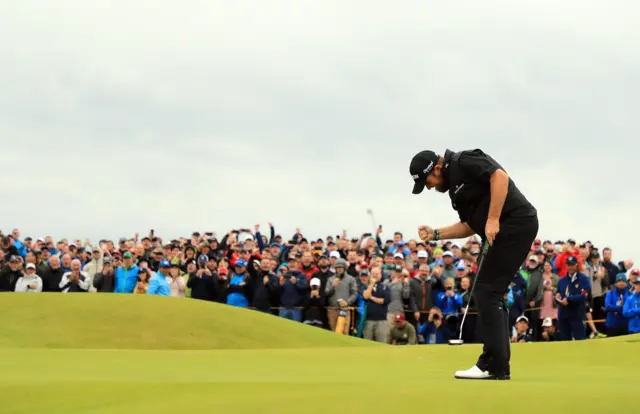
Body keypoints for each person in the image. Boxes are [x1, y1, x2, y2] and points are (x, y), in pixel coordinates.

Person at [410, 148, 538, 380]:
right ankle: (497, 364)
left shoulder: (464, 160)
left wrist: (493, 218)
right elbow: (469, 225)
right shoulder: (454, 192)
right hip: (504, 230)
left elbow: (500, 176)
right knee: (490, 292)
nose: (428, 187)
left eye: (427, 181)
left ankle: (492, 364)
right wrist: (436, 234)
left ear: (436, 169)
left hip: (516, 224)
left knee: (487, 290)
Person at [556, 256, 590, 341]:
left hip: (577, 314)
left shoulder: (584, 279)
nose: (570, 267)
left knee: (580, 340)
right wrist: (557, 298)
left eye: (572, 265)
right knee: (565, 341)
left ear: (576, 265)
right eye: (568, 265)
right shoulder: (562, 281)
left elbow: (584, 295)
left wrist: (569, 299)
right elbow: (558, 294)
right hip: (563, 315)